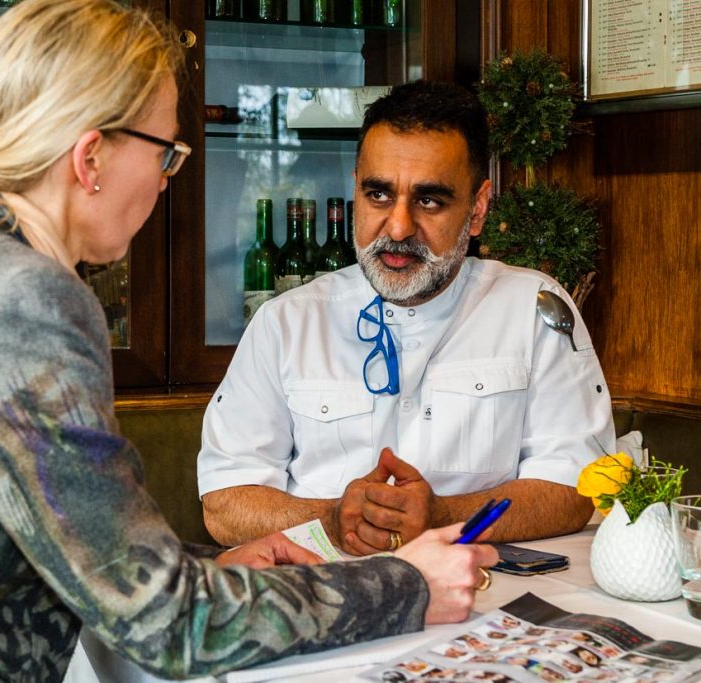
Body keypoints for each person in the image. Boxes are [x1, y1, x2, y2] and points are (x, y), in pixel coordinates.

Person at [0, 2, 499, 680]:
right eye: (167, 152)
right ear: (91, 158)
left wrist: (202, 567)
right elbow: (169, 625)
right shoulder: (24, 302)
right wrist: (407, 584)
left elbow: (64, 551)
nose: (170, 178)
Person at [198, 80, 615, 555]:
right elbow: (226, 501)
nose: (398, 227)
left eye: (429, 200)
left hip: (481, 593)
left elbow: (573, 488)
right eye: (378, 195)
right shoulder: (286, 322)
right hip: (326, 595)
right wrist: (336, 519)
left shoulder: (533, 308)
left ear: (477, 210)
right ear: (356, 187)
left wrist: (443, 517)